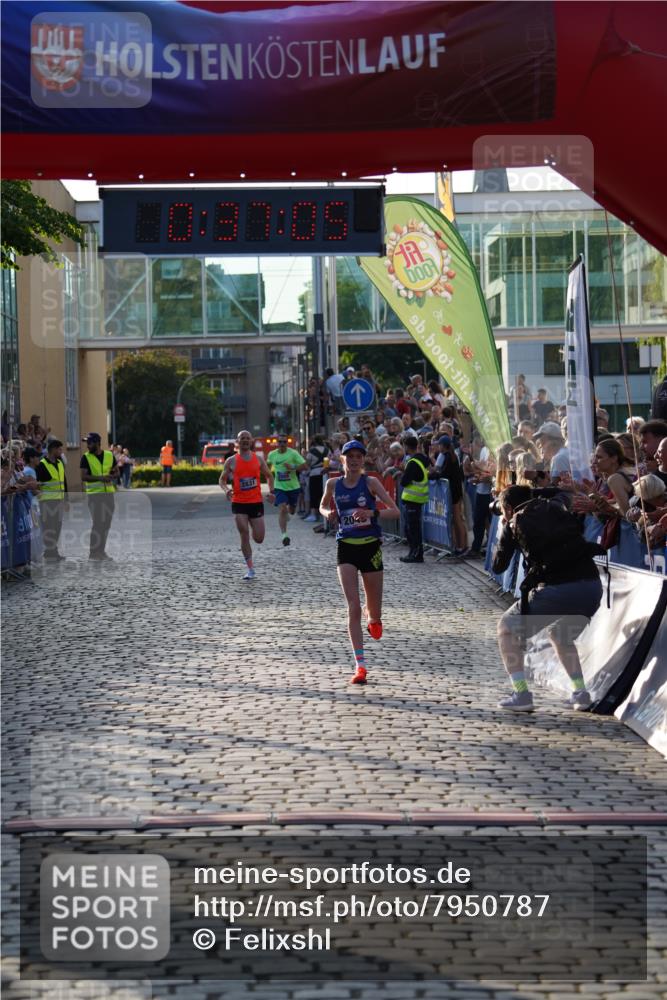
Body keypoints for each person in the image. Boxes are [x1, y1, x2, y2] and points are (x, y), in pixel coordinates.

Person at [493, 485, 604, 713]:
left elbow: (498, 565)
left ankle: (521, 693)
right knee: (560, 635)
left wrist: (504, 530)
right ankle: (580, 693)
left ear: (508, 508)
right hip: (592, 587)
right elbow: (564, 490)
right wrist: (537, 490)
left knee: (506, 629)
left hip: (559, 590)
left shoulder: (514, 522)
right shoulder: (556, 504)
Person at [319, 439, 399, 685]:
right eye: (349, 456)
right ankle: (360, 665)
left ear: (363, 460)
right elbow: (322, 506)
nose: (354, 460)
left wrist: (372, 513)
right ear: (342, 459)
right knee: (352, 606)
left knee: (374, 613)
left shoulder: (371, 483)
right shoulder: (333, 484)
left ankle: (373, 617)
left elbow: (395, 511)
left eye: (358, 457)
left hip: (371, 548)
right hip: (346, 548)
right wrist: (328, 514)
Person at [220, 430, 275, 579]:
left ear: (251, 441)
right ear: (238, 441)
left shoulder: (258, 460)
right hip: (239, 502)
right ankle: (250, 569)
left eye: (247, 438)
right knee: (244, 534)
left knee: (259, 538)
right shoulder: (231, 461)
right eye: (242, 438)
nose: (244, 440)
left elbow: (269, 476)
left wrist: (272, 491)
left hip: (256, 502)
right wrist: (226, 490)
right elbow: (222, 479)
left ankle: (253, 526)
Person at [80, 432, 118, 562]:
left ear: (97, 443)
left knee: (106, 524)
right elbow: (84, 477)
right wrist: (101, 478)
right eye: (87, 443)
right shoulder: (85, 458)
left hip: (108, 495)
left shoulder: (109, 455)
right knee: (98, 524)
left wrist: (113, 474)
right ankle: (93, 553)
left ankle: (101, 552)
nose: (87, 446)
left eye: (89, 443)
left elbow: (116, 470)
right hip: (94, 496)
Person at [266, 434, 308, 547]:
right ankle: (284, 536)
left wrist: (293, 467)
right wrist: (268, 478)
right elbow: (267, 467)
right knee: (282, 508)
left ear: (287, 443)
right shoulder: (272, 454)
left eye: (285, 442)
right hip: (279, 487)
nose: (282, 444)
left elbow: (305, 466)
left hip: (293, 487)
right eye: (280, 442)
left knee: (292, 511)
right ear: (277, 443)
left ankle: (282, 508)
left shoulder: (293, 453)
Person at [399, 435, 429, 563]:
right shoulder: (422, 459)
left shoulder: (412, 463)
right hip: (416, 500)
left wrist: (403, 474)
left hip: (413, 500)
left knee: (413, 529)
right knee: (411, 528)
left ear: (406, 446)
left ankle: (416, 554)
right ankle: (413, 553)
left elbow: (404, 482)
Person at [36, 438, 68, 561]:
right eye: (59, 449)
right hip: (47, 502)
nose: (61, 451)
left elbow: (64, 482)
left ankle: (53, 551)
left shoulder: (60, 463)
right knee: (49, 527)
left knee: (57, 527)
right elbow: (37, 483)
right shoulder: (42, 465)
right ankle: (49, 552)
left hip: (59, 501)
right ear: (53, 450)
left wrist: (66, 500)